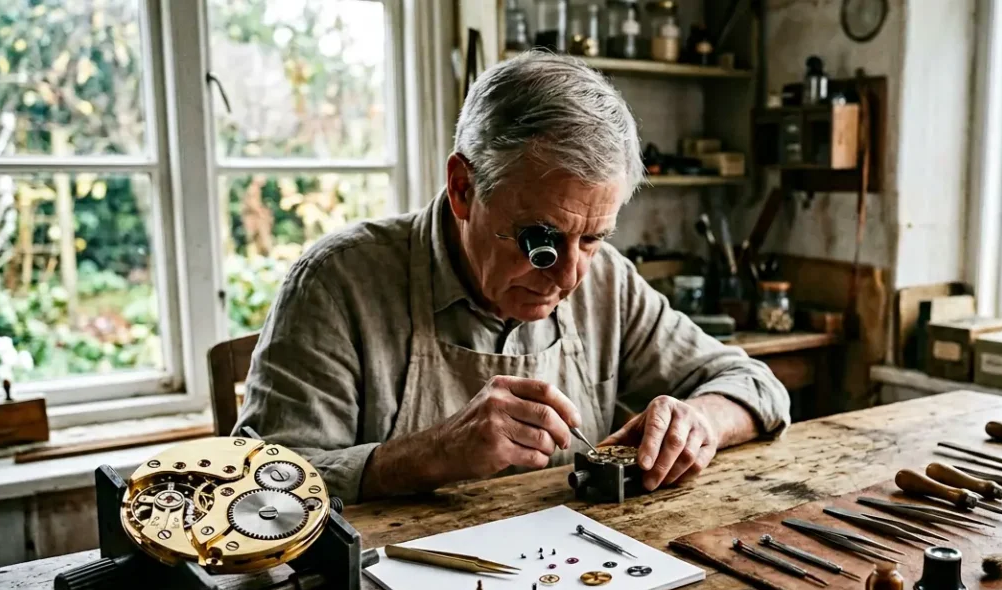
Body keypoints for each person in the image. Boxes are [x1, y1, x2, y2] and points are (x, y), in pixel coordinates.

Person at [235, 51, 790, 504]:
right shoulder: (335, 284)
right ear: (463, 188)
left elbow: (758, 387)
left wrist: (699, 423)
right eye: (540, 239)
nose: (570, 277)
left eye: (593, 238)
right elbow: (257, 487)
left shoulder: (607, 284)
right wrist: (426, 456)